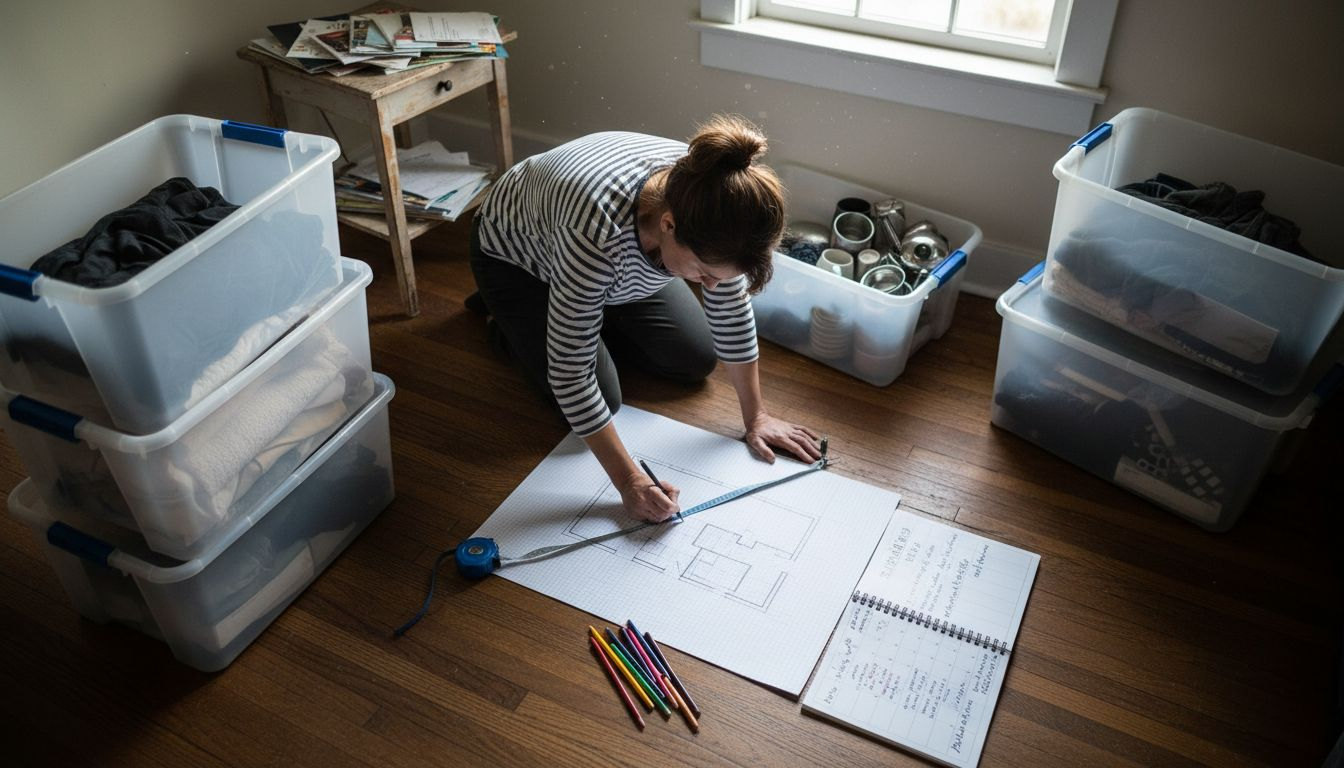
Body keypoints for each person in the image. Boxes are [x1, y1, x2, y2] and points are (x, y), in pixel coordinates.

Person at [469, 114, 821, 523]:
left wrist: (756, 416)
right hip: (520, 262)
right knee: (603, 397)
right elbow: (570, 374)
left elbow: (729, 305)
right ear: (669, 225)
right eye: (703, 273)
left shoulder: (713, 199)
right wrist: (630, 482)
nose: (710, 286)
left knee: (695, 358)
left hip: (615, 267)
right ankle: (506, 320)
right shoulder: (596, 234)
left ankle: (585, 310)